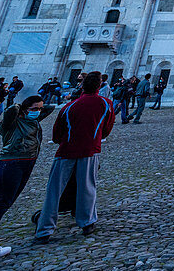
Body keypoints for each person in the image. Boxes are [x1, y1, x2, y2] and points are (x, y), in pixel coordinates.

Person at [0, 94, 56, 261]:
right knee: (0, 206)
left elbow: (50, 108)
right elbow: (11, 110)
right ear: (24, 109)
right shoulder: (12, 123)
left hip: (24, 165)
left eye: (39, 109)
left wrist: (36, 108)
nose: (37, 112)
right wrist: (21, 107)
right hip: (11, 165)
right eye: (34, 109)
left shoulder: (33, 121)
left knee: (1, 206)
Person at [34, 72, 115, 242]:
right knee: (87, 187)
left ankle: (44, 230)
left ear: (82, 86)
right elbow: (107, 129)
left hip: (65, 152)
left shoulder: (69, 106)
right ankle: (87, 222)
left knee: (54, 190)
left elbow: (56, 135)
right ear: (99, 87)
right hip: (90, 151)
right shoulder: (106, 104)